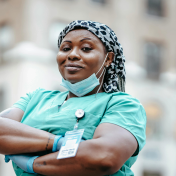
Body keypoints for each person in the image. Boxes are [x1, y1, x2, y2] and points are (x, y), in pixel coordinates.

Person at [0, 20, 146, 176]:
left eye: (86, 48)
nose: (73, 55)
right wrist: (60, 143)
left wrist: (32, 163)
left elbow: (104, 156)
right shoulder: (36, 98)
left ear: (108, 59)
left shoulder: (123, 104)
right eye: (66, 48)